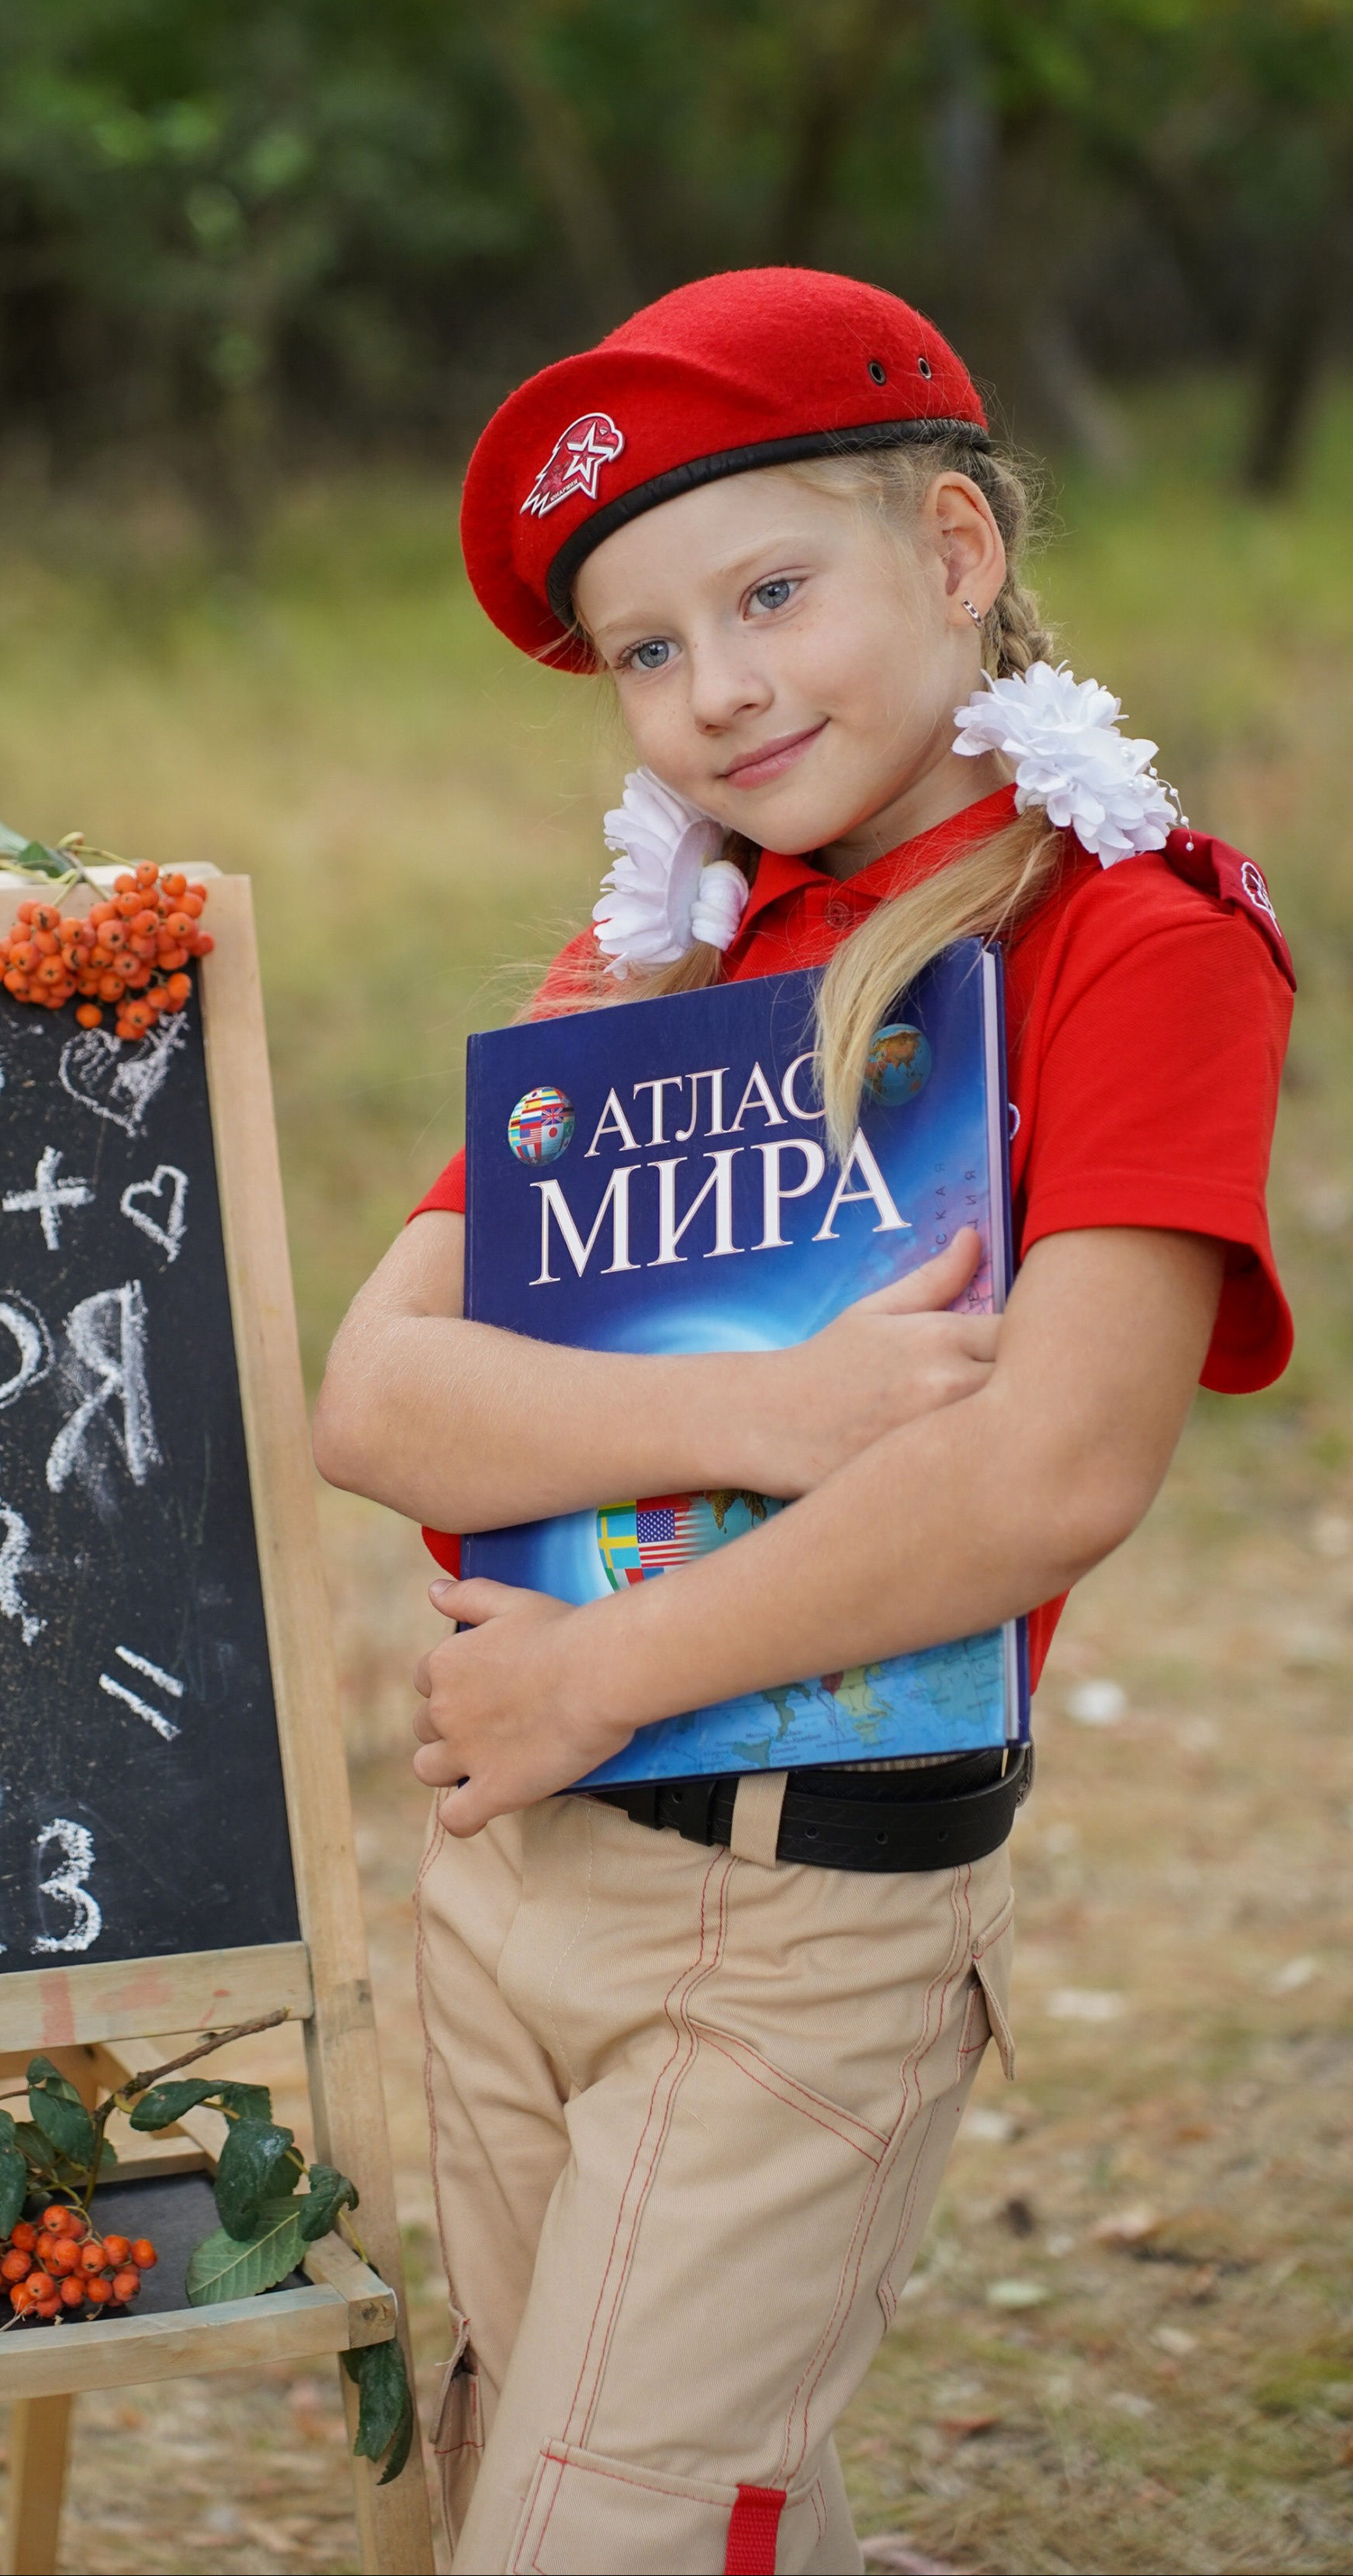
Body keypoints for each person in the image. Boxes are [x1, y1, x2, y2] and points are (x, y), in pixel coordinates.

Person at [312, 268, 1293, 2576]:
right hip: (513, 1881)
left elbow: (1049, 1467)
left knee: (591, 2535)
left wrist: (594, 1666)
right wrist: (798, 1399)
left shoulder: (1133, 939)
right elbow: (383, 1391)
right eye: (648, 648)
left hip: (805, 1902)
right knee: (535, 2475)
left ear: (954, 552)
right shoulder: (658, 948)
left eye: (771, 594)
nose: (718, 691)